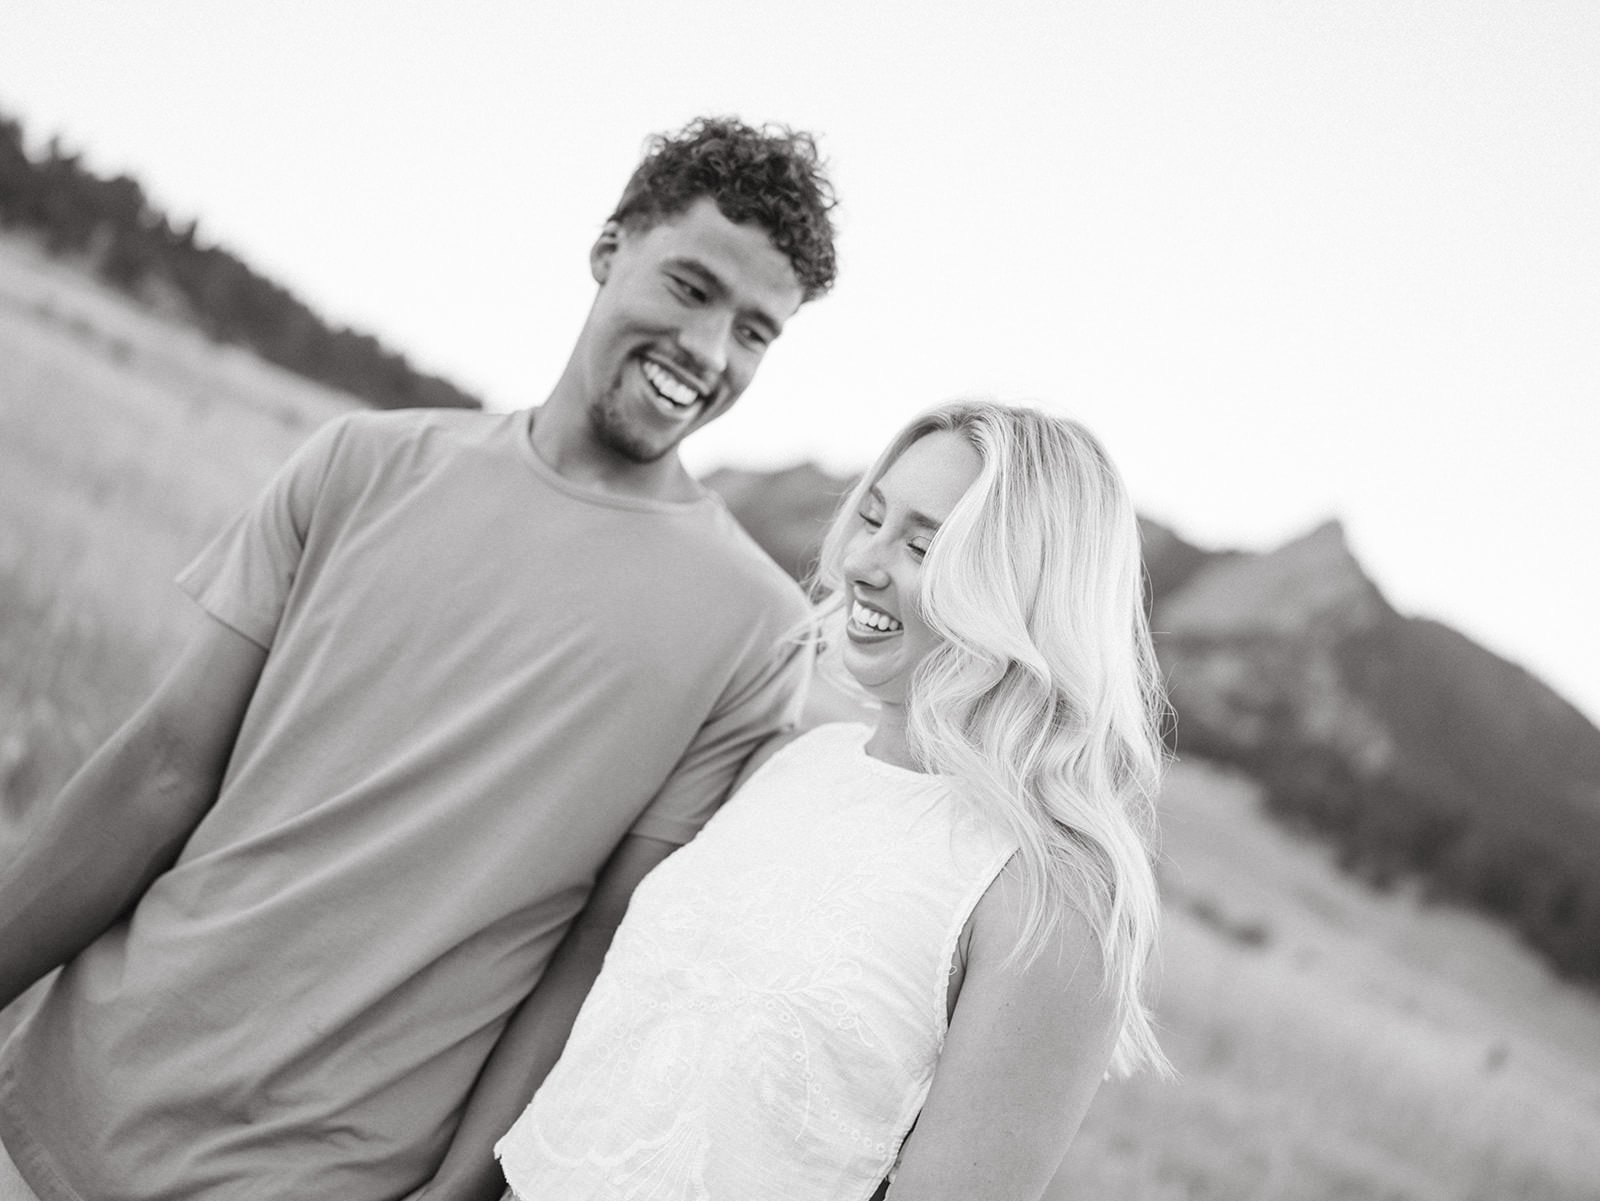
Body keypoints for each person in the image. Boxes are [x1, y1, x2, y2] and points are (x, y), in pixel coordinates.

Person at [0, 116, 838, 1201]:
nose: (711, 353)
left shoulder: (754, 632)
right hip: (71, 1099)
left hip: (317, 1175)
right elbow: (161, 766)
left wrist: (454, 1196)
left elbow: (598, 951)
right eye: (689, 288)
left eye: (756, 332)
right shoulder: (362, 464)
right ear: (609, 247)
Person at [469, 400, 1172, 1201]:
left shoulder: (1050, 900)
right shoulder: (801, 760)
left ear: (1026, 591)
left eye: (922, 544)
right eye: (871, 519)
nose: (863, 562)